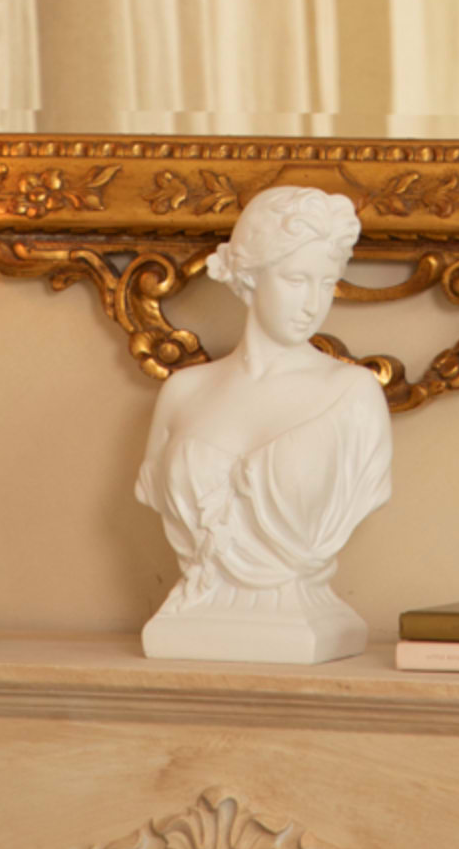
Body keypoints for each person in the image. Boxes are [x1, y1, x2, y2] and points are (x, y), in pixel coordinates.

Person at [135, 183, 392, 662]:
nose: (314, 302)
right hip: (188, 622)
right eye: (296, 280)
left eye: (326, 282)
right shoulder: (183, 393)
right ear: (250, 279)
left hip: (302, 623)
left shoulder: (352, 396)